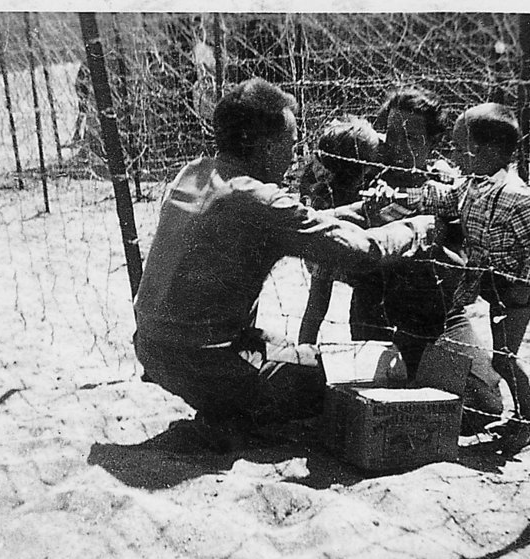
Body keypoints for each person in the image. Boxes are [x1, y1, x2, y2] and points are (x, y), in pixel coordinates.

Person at [132, 78, 436, 448]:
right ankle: (235, 410)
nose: (294, 156)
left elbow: (294, 223)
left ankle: (228, 407)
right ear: (263, 146)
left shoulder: (195, 173)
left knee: (282, 346)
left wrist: (358, 210)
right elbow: (363, 254)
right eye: (290, 145)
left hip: (154, 349)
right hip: (205, 364)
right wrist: (417, 226)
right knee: (348, 372)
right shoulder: (259, 201)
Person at [353, 87, 506, 434]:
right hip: (377, 317)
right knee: (377, 409)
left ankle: (422, 374)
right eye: (392, 135)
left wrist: (431, 243)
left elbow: (465, 273)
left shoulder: (450, 186)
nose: (398, 146)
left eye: (412, 138)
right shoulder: (366, 180)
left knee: (484, 407)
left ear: (432, 143)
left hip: (439, 317)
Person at [406, 103, 530, 454]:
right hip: (494, 286)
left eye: (459, 147)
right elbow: (443, 198)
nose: (453, 154)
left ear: (486, 151)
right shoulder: (473, 186)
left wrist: (524, 286)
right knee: (501, 354)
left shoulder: (519, 197)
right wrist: (404, 197)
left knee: (504, 357)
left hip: (517, 290)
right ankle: (523, 418)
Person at [297, 116, 383, 344]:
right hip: (335, 251)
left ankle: (304, 347)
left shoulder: (329, 178)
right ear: (362, 164)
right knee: (324, 300)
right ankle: (308, 347)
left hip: (327, 252)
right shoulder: (344, 192)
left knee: (317, 303)